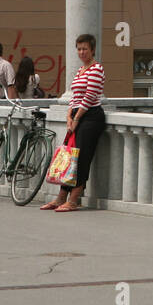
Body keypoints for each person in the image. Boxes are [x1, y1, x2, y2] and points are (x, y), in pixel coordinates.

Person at [47, 33, 106, 212]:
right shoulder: (81, 71)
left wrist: (77, 118)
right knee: (69, 157)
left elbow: (89, 97)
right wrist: (69, 117)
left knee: (81, 159)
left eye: (85, 49)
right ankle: (60, 197)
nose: (81, 52)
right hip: (77, 117)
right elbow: (75, 97)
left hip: (91, 117)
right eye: (79, 49)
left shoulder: (96, 69)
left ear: (92, 49)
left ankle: (74, 199)